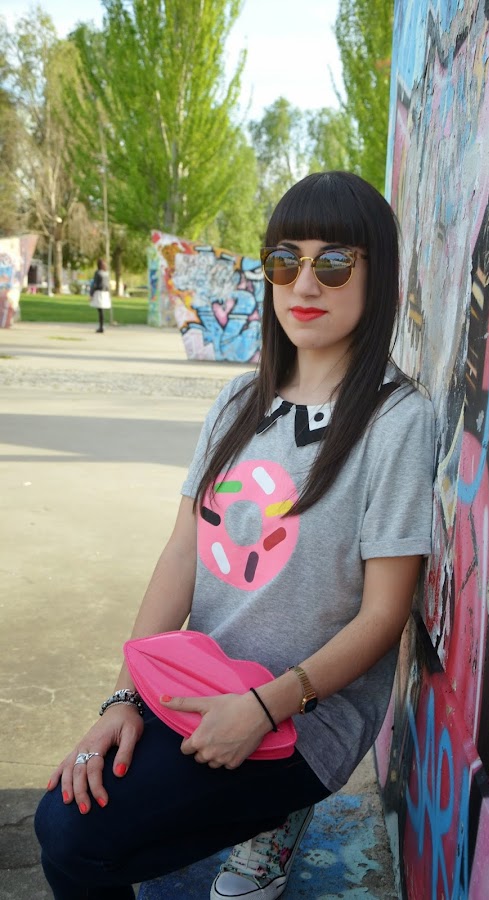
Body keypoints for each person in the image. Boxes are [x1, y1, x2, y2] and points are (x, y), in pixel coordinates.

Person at [35, 171, 435, 900]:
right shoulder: (236, 402)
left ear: (378, 275)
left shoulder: (397, 421)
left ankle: (273, 810)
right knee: (65, 819)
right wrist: (123, 699)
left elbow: (385, 616)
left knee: (78, 840)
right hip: (197, 683)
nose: (304, 283)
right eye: (285, 260)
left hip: (305, 715)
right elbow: (180, 554)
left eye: (334, 262)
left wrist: (264, 708)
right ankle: (261, 814)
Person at [89, 258, 111, 332]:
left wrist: (91, 294)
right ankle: (101, 326)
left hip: (99, 292)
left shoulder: (98, 273)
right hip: (105, 293)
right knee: (101, 310)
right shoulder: (106, 273)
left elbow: (94, 284)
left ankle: (101, 327)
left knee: (100, 311)